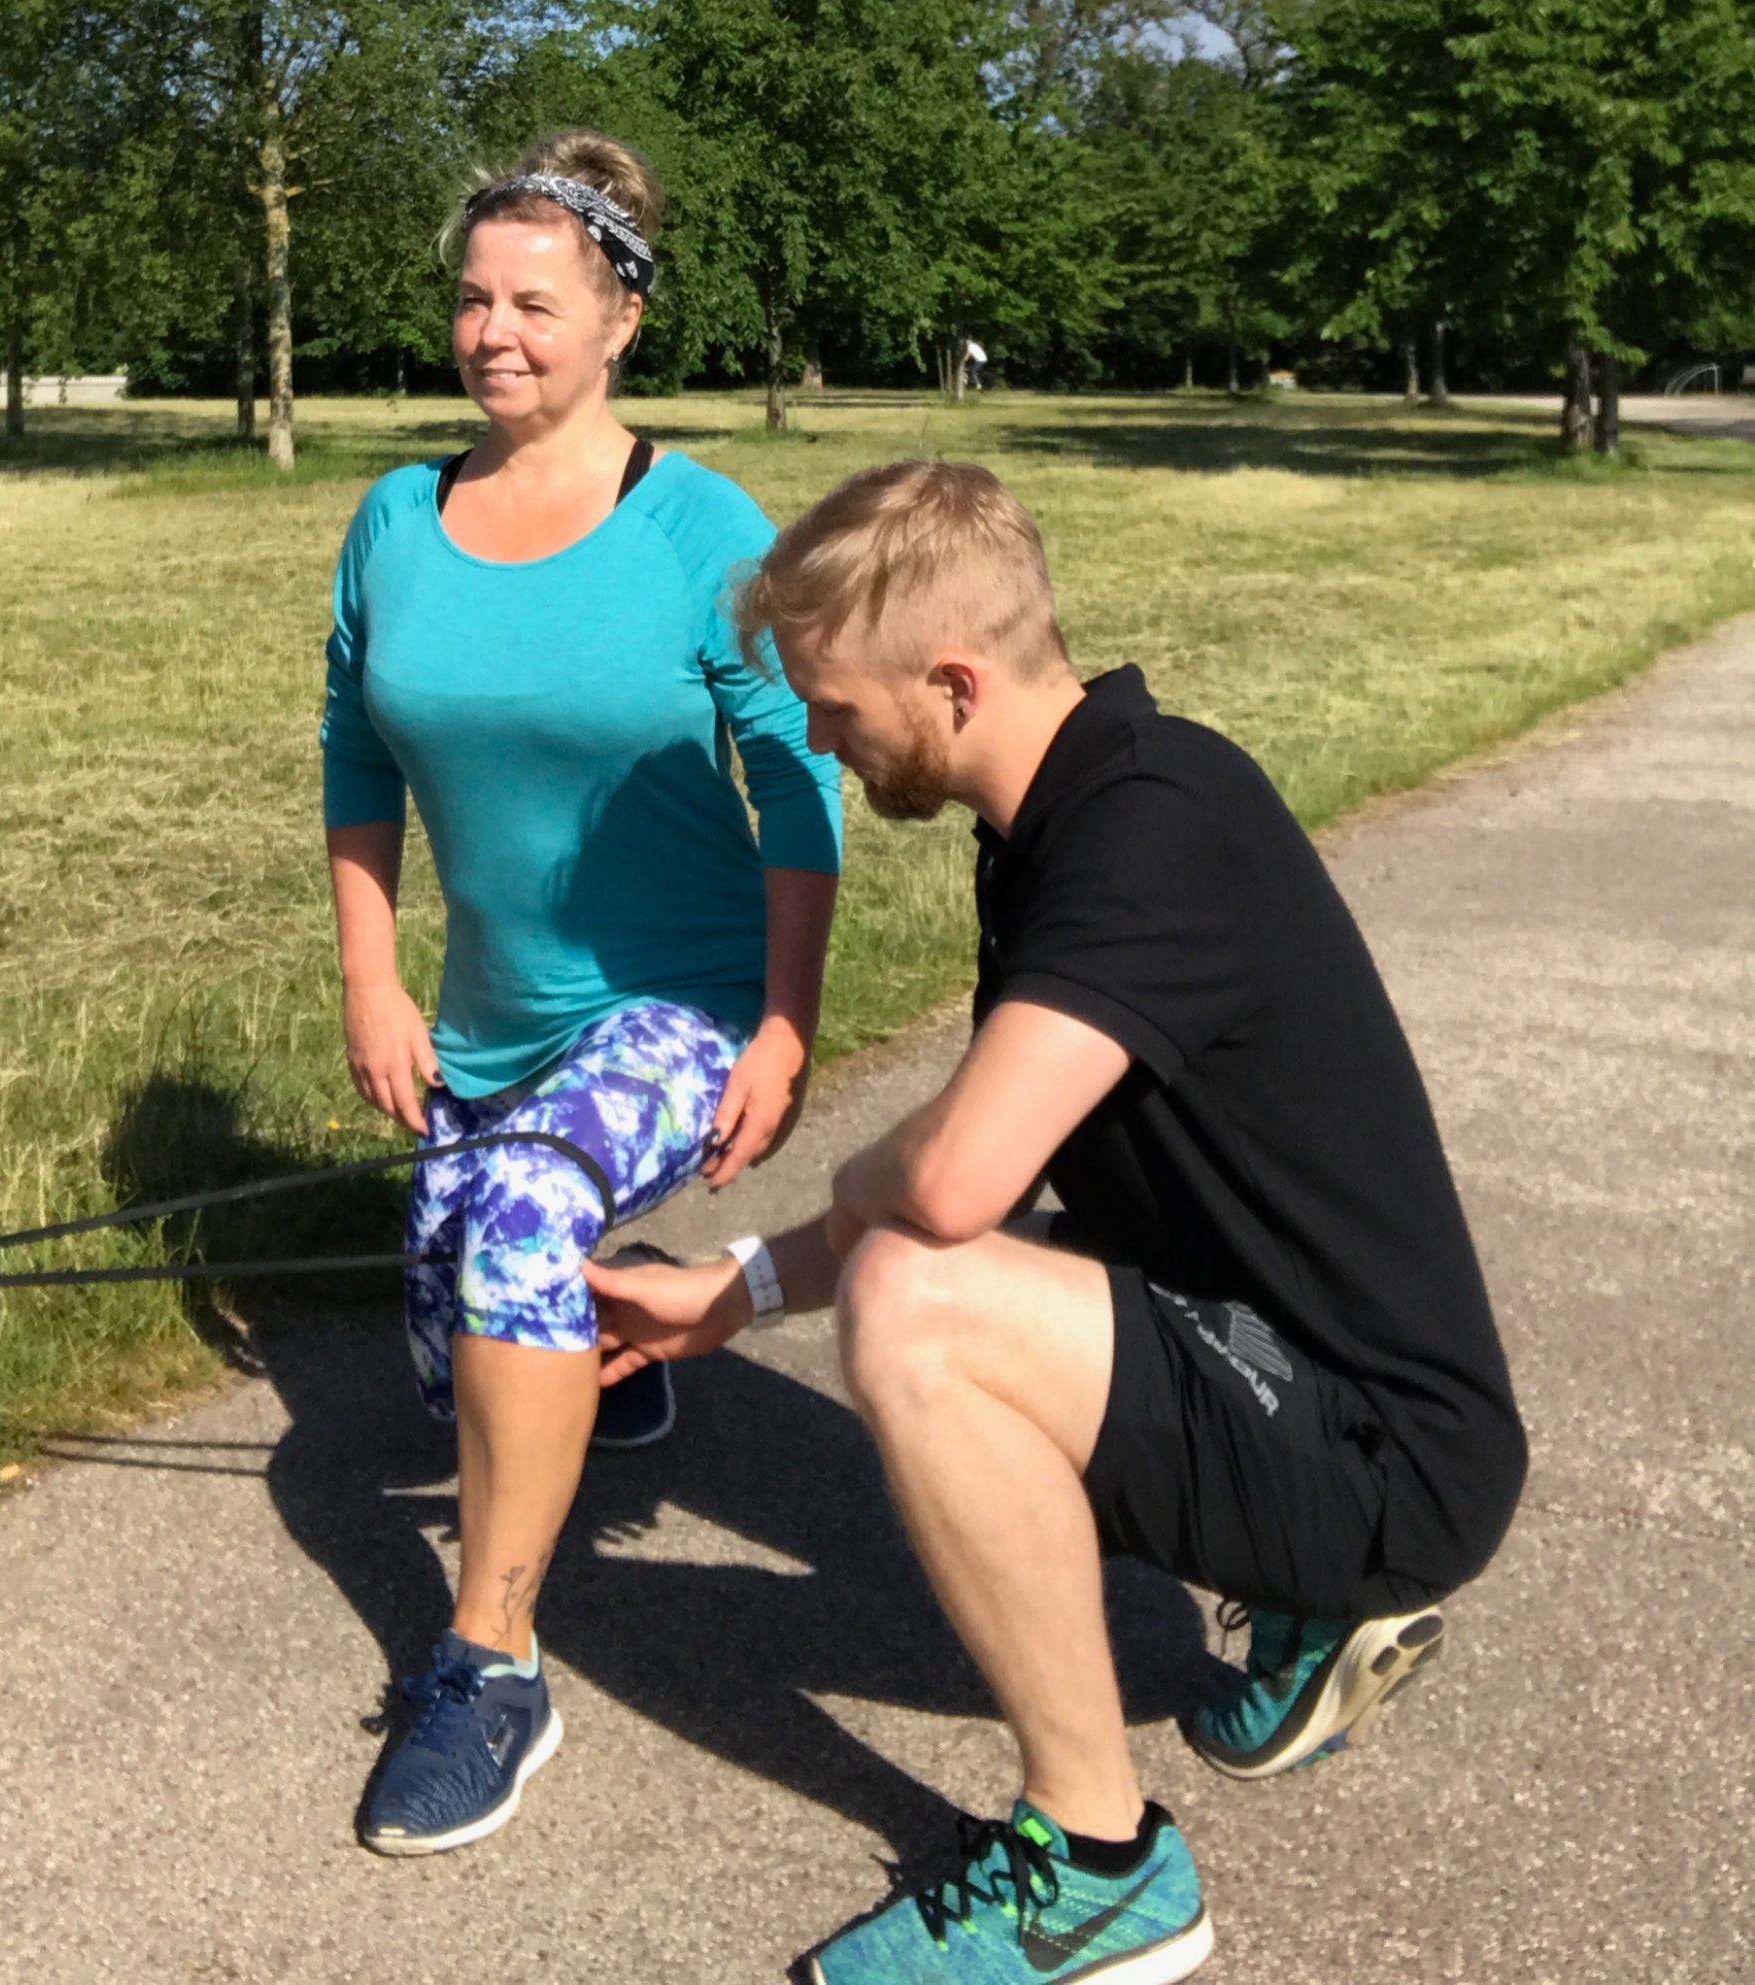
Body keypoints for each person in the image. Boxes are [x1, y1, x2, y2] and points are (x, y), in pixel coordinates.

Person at [584, 461, 1525, 1982]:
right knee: (923, 1258)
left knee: (911, 1301)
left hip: (1386, 1456)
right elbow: (998, 1173)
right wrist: (730, 1293)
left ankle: (1099, 1868)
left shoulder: (1149, 834)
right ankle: (1309, 1605)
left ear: (952, 680)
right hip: (1290, 1364)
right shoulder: (1077, 808)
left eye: (835, 707)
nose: (820, 741)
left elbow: (950, 1192)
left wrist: (846, 1199)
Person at [319, 129, 843, 1856]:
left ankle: (488, 1668)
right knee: (453, 1338)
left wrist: (781, 1022)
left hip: (671, 1003)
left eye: (534, 303)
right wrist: (374, 980)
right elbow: (352, 753)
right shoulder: (396, 517)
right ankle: (625, 1338)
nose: (494, 334)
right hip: (479, 1022)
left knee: (525, 1225)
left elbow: (797, 782)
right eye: (473, 299)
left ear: (620, 318)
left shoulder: (701, 526)